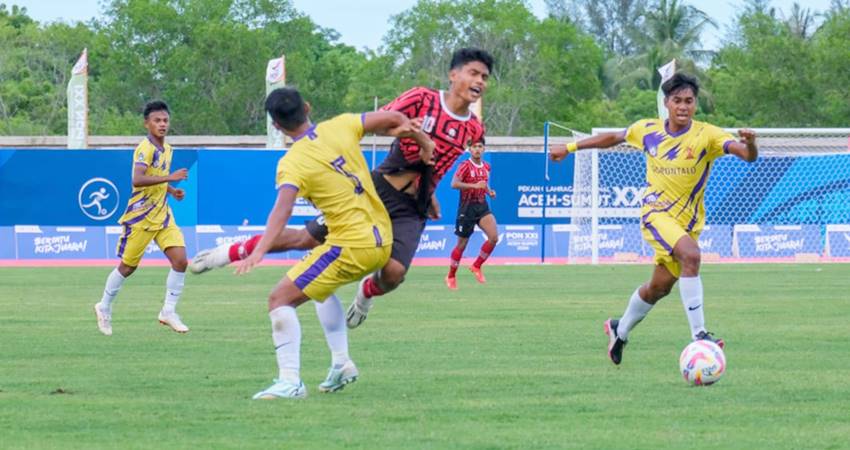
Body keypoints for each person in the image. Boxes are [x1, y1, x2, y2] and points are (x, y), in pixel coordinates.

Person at [190, 48, 493, 329]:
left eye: (484, 77)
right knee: (305, 238)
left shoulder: (474, 128)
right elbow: (387, 123)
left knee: (394, 274)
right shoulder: (423, 98)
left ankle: (366, 293)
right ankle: (228, 252)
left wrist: (430, 190)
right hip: (377, 192)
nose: (478, 80)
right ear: (454, 75)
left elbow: (441, 161)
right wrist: (419, 138)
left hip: (412, 209)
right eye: (473, 72)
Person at [549, 73, 758, 365]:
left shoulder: (707, 134)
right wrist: (570, 148)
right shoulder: (646, 129)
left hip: (687, 223)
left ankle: (618, 330)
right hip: (655, 213)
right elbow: (613, 137)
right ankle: (700, 336)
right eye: (677, 101)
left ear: (695, 104)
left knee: (659, 288)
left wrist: (750, 144)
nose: (683, 107)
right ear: (666, 103)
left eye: (689, 101)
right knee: (691, 255)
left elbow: (745, 156)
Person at [246, 87, 433, 400]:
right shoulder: (342, 125)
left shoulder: (292, 163)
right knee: (320, 286)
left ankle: (290, 381)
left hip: (350, 245)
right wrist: (420, 140)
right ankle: (341, 363)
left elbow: (283, 208)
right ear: (308, 107)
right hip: (382, 238)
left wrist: (262, 248)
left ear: (276, 126)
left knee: (279, 299)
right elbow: (394, 117)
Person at [94, 100, 190, 336]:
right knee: (127, 267)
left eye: (165, 120)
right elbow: (138, 179)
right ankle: (104, 306)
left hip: (163, 214)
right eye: (157, 120)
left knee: (181, 261)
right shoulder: (144, 149)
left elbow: (154, 176)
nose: (162, 124)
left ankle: (168, 311)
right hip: (141, 216)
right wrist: (170, 177)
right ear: (147, 123)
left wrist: (171, 190)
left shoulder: (167, 149)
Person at [445, 138, 498, 290]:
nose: (477, 149)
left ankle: (476, 266)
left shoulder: (486, 166)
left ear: (484, 149)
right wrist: (474, 186)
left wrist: (489, 191)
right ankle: (451, 275)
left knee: (493, 237)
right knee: (461, 245)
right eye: (474, 147)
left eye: (480, 146)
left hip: (482, 206)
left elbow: (483, 182)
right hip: (466, 208)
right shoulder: (465, 166)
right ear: (469, 149)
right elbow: (454, 184)